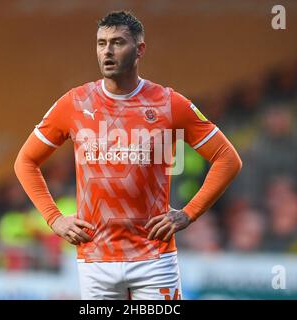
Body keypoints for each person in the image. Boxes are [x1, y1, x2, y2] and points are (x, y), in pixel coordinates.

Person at [15, 11, 242, 300]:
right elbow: (25, 161)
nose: (107, 51)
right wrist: (55, 219)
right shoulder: (74, 103)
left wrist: (188, 213)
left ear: (140, 49)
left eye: (118, 42)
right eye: (101, 43)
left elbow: (227, 158)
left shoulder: (169, 103)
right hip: (95, 257)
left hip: (154, 256)